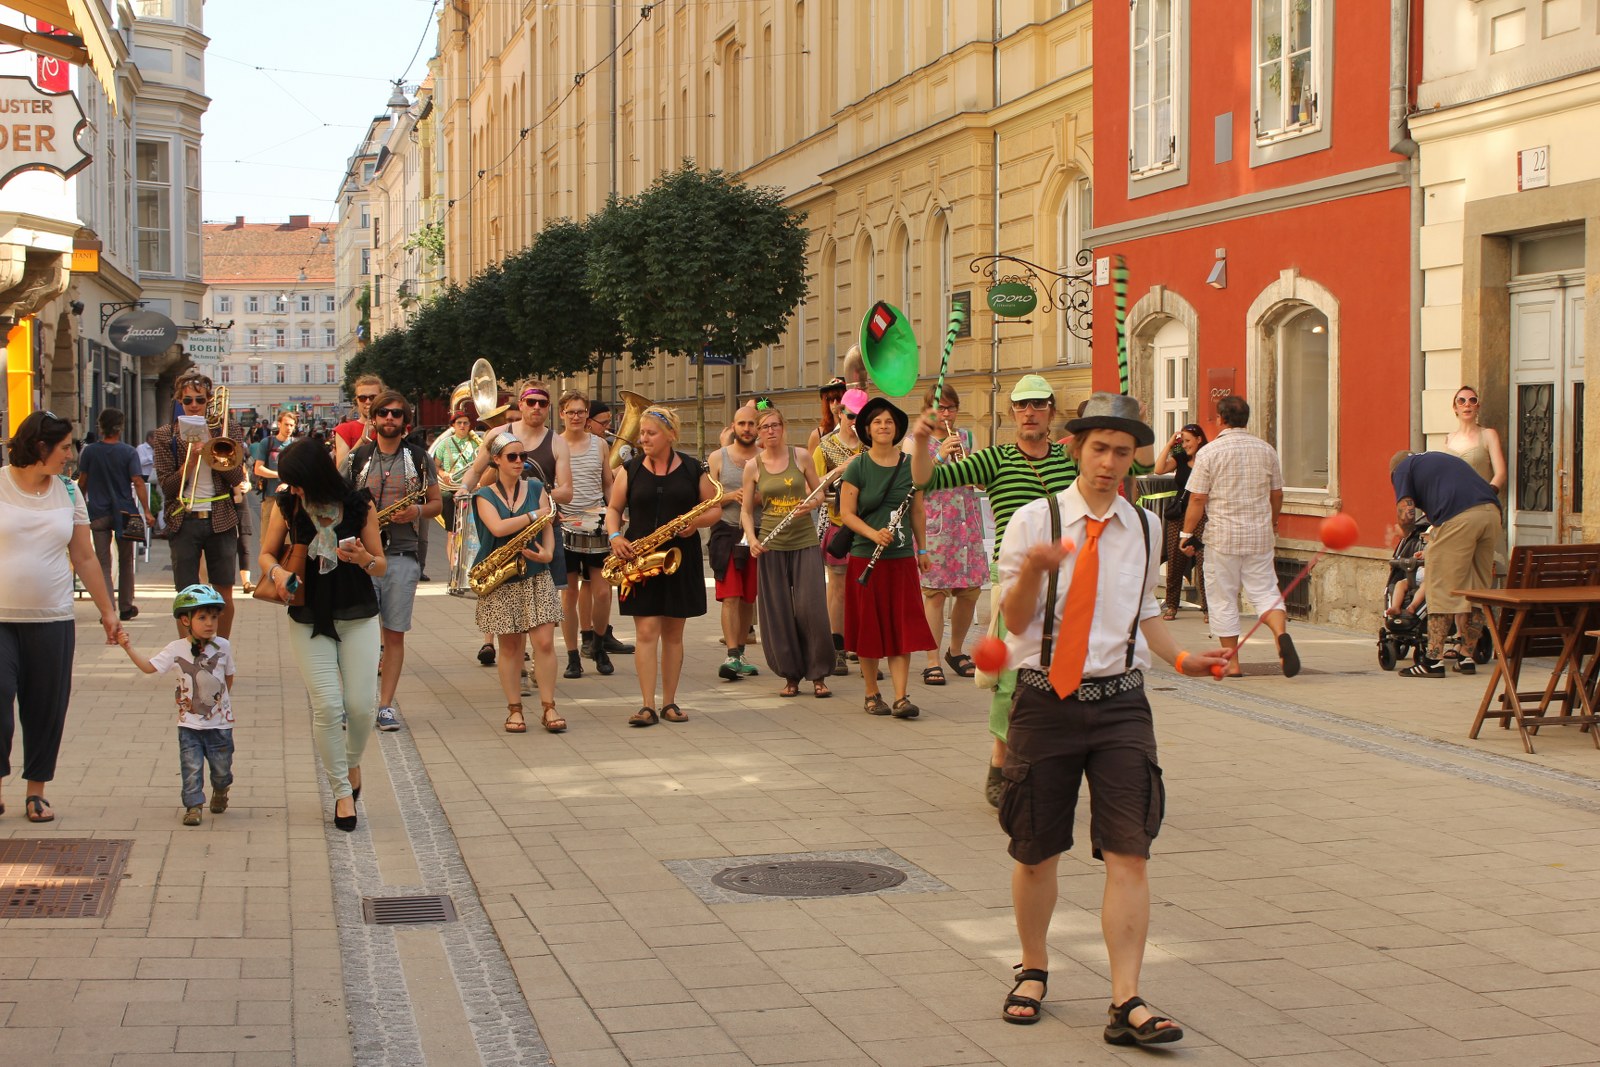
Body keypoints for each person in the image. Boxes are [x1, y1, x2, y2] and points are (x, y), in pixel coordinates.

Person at [995, 393, 1223, 1043]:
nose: (1109, 462)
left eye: (1122, 452)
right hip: (1044, 700)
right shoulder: (1035, 520)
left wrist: (1182, 657)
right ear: (1076, 447)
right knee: (1036, 849)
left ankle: (1127, 1001)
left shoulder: (1146, 528)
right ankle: (1033, 968)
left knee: (1131, 851)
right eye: (1099, 448)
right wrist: (1034, 573)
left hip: (1122, 703)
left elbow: (1144, 610)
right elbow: (1013, 619)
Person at [910, 375, 1101, 806]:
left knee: (1067, 678)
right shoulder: (995, 459)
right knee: (1012, 680)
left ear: (1051, 411)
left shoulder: (1070, 459)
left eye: (1038, 405)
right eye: (1021, 406)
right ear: (1011, 412)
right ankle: (1000, 761)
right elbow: (926, 481)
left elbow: (1130, 470)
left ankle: (1052, 763)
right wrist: (921, 443)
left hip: (1068, 582)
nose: (1029, 413)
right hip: (1014, 580)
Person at [0, 411, 123, 823]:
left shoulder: (69, 492)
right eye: (65, 447)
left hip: (52, 618)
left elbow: (84, 557)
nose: (71, 455)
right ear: (40, 446)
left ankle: (36, 792)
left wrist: (108, 611)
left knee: (45, 707)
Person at [260, 437, 385, 832]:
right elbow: (266, 553)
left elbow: (381, 565)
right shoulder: (287, 503)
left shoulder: (359, 504)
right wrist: (278, 572)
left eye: (298, 482)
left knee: (361, 706)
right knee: (328, 707)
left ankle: (351, 761)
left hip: (357, 613)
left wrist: (364, 558)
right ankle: (342, 793)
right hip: (308, 615)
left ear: (315, 476)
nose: (294, 489)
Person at [605, 405, 722, 727]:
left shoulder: (692, 468)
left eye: (650, 433)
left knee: (673, 633)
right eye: (642, 433)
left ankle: (670, 702)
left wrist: (695, 523)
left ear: (670, 435)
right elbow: (613, 509)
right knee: (646, 631)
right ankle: (647, 705)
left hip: (679, 558)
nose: (643, 438)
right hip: (639, 557)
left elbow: (713, 508)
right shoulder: (629, 469)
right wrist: (615, 536)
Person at [341, 391, 442, 732]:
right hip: (361, 557)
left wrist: (416, 511)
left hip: (402, 554)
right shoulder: (358, 458)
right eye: (383, 412)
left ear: (405, 421)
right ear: (373, 418)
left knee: (394, 635)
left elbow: (436, 503)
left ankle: (385, 706)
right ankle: (354, 703)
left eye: (396, 414)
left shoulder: (419, 458)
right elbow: (337, 499)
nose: (389, 418)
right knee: (358, 635)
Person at [1178, 395, 1297, 678]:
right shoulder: (1266, 450)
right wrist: (1273, 521)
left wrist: (1186, 533)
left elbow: (1197, 498)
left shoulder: (1210, 453)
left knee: (1223, 598)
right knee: (1265, 591)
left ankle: (1232, 663)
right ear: (1246, 418)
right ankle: (1280, 633)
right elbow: (1277, 493)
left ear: (1220, 419)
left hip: (1223, 536)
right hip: (1259, 535)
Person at [840, 397, 936, 719]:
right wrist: (873, 534)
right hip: (865, 559)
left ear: (897, 429)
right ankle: (871, 693)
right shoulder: (858, 466)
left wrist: (922, 550)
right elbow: (846, 514)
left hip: (901, 558)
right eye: (877, 422)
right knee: (869, 629)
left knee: (900, 628)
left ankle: (900, 698)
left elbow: (917, 511)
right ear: (868, 429)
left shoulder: (911, 464)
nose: (883, 427)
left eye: (889, 422)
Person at [115, 584, 235, 826]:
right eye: (202, 617)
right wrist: (128, 647)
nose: (210, 623)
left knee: (221, 770)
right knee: (191, 768)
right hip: (189, 725)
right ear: (186, 620)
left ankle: (221, 789)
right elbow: (148, 667)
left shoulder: (223, 646)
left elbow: (229, 676)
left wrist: (220, 702)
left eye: (214, 617)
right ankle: (194, 806)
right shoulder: (176, 649)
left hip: (220, 726)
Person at [474, 433, 565, 732]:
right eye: (511, 457)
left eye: (523, 456)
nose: (519, 462)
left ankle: (549, 707)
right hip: (501, 576)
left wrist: (548, 552)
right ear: (496, 460)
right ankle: (515, 709)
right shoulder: (483, 495)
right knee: (511, 647)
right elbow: (498, 528)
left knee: (545, 642)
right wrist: (534, 514)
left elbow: (547, 524)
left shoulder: (536, 487)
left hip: (536, 574)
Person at [742, 405, 833, 697]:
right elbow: (746, 511)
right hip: (771, 544)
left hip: (804, 540)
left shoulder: (801, 456)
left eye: (775, 425)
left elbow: (820, 494)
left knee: (811, 609)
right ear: (758, 433)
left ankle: (818, 674)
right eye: (764, 427)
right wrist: (751, 539)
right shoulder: (753, 466)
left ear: (783, 427)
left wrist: (811, 503)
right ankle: (790, 675)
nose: (770, 431)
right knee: (777, 612)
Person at [152, 371, 247, 639]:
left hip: (221, 519)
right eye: (188, 401)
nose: (194, 406)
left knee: (223, 590)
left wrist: (212, 452)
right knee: (186, 594)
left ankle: (221, 650)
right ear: (179, 402)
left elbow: (236, 478)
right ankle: (190, 650)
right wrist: (191, 462)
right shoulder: (165, 435)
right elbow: (167, 487)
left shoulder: (227, 430)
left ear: (209, 401)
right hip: (184, 518)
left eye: (200, 400)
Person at [1390, 450, 1500, 677]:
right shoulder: (1438, 461)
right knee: (1477, 592)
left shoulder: (1402, 468)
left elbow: (1407, 513)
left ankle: (1433, 661)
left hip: (1459, 518)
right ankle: (1466, 657)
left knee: (1440, 588)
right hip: (1491, 513)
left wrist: (1404, 531)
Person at [908, 385, 987, 687]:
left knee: (969, 592)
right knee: (936, 595)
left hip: (966, 526)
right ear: (928, 410)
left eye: (951, 408)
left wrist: (973, 467)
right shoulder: (915, 442)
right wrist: (940, 456)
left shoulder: (967, 438)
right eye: (940, 408)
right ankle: (932, 660)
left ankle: (956, 651)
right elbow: (914, 483)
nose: (946, 414)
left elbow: (981, 480)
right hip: (935, 528)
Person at [555, 389, 618, 679]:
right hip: (565, 524)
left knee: (603, 591)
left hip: (596, 523)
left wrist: (614, 511)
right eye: (571, 412)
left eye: (581, 412)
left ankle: (598, 645)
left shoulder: (600, 444)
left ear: (587, 414)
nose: (576, 417)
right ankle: (572, 656)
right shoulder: (554, 444)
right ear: (562, 414)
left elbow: (607, 483)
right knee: (569, 594)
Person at [429, 409, 493, 664]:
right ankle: (454, 567)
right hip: (451, 492)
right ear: (453, 425)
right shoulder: (445, 443)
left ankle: (468, 564)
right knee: (452, 532)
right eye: (460, 423)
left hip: (471, 491)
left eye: (466, 422)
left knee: (470, 533)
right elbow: (436, 464)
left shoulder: (476, 442)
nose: (464, 426)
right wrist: (443, 474)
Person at [78, 407, 151, 621]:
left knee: (103, 563)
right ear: (121, 427)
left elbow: (82, 482)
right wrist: (147, 511)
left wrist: (78, 506)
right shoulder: (129, 452)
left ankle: (108, 608)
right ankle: (126, 606)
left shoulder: (90, 452)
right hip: (125, 512)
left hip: (98, 512)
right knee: (126, 561)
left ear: (100, 427)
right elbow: (138, 481)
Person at [814, 387, 867, 676]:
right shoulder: (825, 447)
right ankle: (836, 647)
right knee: (837, 587)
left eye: (861, 417)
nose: (854, 421)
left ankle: (862, 647)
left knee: (864, 587)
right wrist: (840, 469)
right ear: (840, 414)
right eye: (851, 415)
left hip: (868, 526)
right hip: (838, 525)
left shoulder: (872, 447)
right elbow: (812, 486)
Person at [708, 402, 762, 681]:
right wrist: (730, 496)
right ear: (733, 427)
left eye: (752, 424)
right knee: (730, 595)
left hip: (757, 534)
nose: (747, 429)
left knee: (748, 597)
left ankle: (740, 652)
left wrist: (757, 497)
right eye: (742, 424)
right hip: (726, 533)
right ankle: (731, 654)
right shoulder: (718, 457)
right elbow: (706, 499)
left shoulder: (765, 457)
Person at [1152, 423, 1209, 622]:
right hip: (1179, 515)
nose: (1185, 445)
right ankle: (1172, 605)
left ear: (1199, 439)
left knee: (1203, 561)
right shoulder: (1181, 459)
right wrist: (1170, 444)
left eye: (1188, 441)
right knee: (1175, 560)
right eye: (1182, 441)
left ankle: (1208, 608)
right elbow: (1159, 469)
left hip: (1202, 516)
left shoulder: (1207, 459)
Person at [1443, 385, 1506, 493]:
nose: (1467, 404)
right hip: (1452, 500)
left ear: (1477, 407)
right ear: (1455, 408)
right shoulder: (1449, 438)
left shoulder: (1488, 435)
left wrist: (1488, 494)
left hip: (1479, 499)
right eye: (1461, 401)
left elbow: (1501, 473)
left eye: (1472, 400)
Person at [332, 374, 384, 470]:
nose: (368, 402)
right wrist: (362, 440)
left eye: (373, 397)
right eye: (362, 398)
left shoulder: (390, 426)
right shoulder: (344, 429)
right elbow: (341, 468)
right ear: (357, 400)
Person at [804, 376, 848, 457]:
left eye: (839, 398)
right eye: (830, 399)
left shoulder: (856, 430)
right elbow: (811, 464)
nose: (835, 403)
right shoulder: (817, 435)